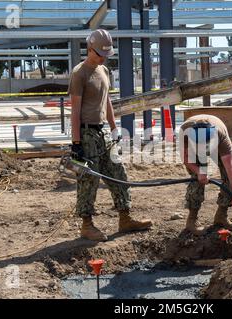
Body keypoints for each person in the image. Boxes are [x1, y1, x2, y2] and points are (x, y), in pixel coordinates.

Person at [68, 29, 152, 242]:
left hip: (103, 131)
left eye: (105, 54)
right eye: (99, 54)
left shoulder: (103, 70)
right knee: (89, 178)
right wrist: (76, 144)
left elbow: (107, 102)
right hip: (86, 133)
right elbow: (75, 111)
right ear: (89, 49)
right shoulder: (80, 73)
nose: (103, 57)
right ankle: (87, 225)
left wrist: (115, 129)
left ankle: (125, 217)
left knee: (118, 172)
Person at [179, 114, 232, 235]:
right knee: (197, 178)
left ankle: (221, 215)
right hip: (193, 149)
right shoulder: (185, 132)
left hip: (217, 144)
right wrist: (199, 172)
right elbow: (185, 158)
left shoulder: (220, 136)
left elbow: (230, 168)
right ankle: (191, 220)